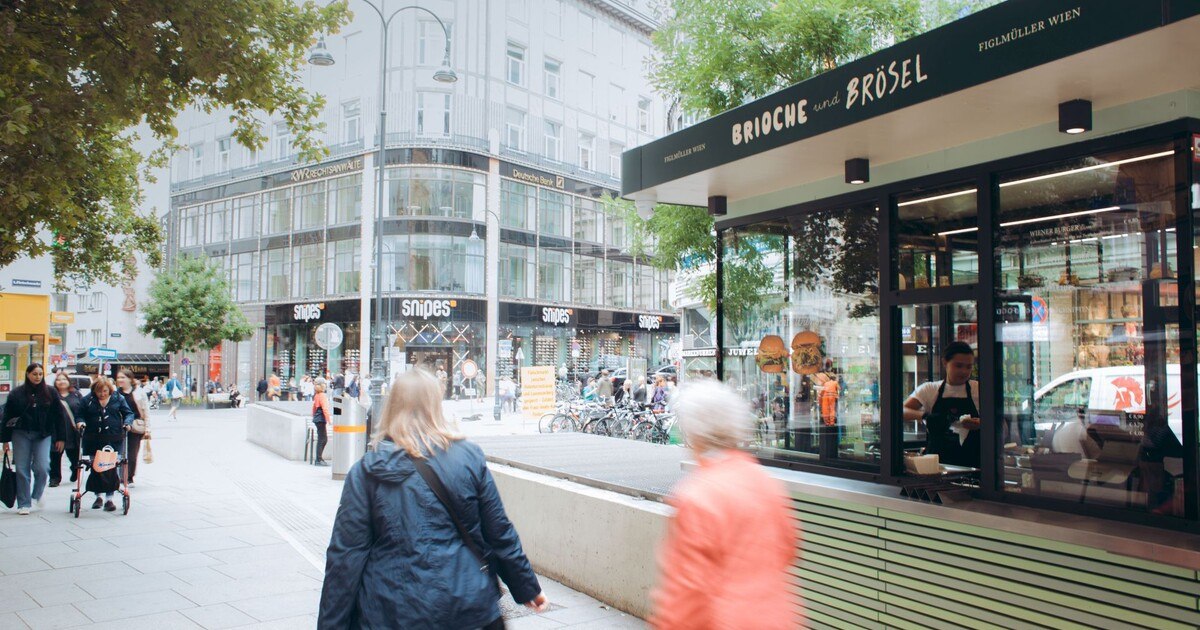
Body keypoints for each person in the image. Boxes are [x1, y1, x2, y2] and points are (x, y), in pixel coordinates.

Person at [319, 370, 548, 628]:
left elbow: (345, 557)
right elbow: (498, 532)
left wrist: (331, 623)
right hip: (466, 604)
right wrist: (527, 587)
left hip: (392, 610)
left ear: (392, 407)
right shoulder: (468, 457)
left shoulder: (366, 471)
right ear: (436, 406)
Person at [650, 379, 800, 629]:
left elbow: (686, 594)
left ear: (694, 435)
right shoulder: (763, 481)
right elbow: (789, 547)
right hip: (779, 618)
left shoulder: (697, 496)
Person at [903, 341, 981, 469]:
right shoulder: (930, 389)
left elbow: (1000, 423)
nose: (964, 371)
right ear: (945, 362)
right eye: (958, 366)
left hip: (973, 464)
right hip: (938, 465)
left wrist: (982, 424)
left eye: (968, 367)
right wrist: (925, 416)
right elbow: (901, 411)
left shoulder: (979, 389)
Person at [1, 363, 67, 514]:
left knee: (42, 467)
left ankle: (37, 493)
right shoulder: (16, 393)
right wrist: (5, 440)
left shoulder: (50, 392)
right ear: (28, 374)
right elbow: (7, 417)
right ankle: (24, 503)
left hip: (43, 434)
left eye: (40, 374)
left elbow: (59, 415)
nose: (38, 377)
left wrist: (61, 438)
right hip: (21, 433)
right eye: (34, 374)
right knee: (21, 468)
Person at [78, 376, 133, 511]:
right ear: (94, 391)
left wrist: (128, 423)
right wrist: (80, 422)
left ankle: (109, 499)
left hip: (113, 438)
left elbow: (128, 413)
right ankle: (98, 496)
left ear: (109, 390)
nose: (102, 394)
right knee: (97, 467)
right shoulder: (87, 400)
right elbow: (79, 414)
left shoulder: (118, 398)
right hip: (93, 439)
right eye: (99, 391)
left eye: (105, 391)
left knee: (111, 467)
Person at [115, 369, 150, 487]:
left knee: (132, 453)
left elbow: (146, 411)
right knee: (119, 453)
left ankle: (129, 477)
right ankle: (120, 476)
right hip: (119, 426)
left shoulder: (139, 392)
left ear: (130, 379)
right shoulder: (115, 393)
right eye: (118, 378)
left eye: (123, 377)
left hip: (135, 426)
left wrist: (148, 428)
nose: (120, 380)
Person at [51, 371, 85, 486]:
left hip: (73, 430)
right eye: (58, 379)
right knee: (55, 455)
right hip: (56, 430)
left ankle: (75, 469)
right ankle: (54, 478)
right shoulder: (52, 395)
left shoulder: (76, 394)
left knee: (74, 455)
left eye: (64, 379)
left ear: (69, 381)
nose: (61, 382)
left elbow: (82, 410)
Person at [311, 381, 332, 466]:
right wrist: (329, 420)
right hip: (321, 418)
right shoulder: (323, 396)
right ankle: (318, 459)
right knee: (322, 439)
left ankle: (319, 458)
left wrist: (314, 416)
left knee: (322, 439)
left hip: (317, 418)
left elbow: (314, 407)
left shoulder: (317, 395)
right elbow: (325, 408)